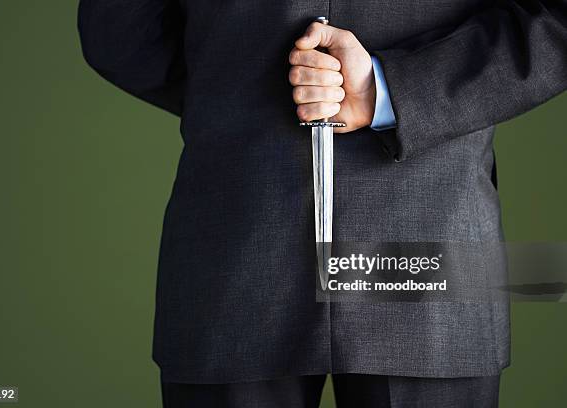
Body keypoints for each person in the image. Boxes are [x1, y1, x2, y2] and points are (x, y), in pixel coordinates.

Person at [78, 1, 567, 406]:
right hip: (434, 238)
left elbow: (119, 33)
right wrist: (395, 93)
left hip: (237, 244)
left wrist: (236, 96)